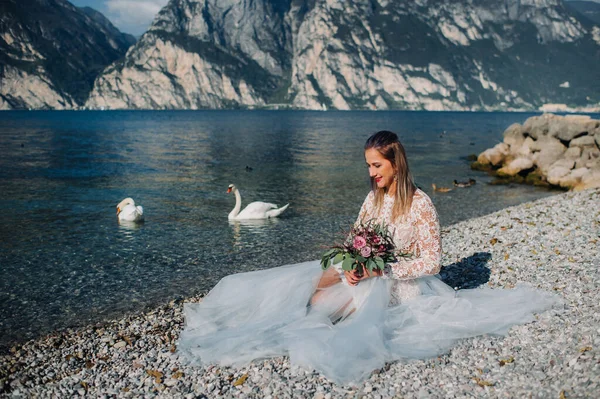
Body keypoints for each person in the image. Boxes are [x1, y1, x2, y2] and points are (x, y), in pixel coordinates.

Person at [178, 131, 560, 385]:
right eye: (368, 165)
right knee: (317, 284)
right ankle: (294, 320)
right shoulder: (372, 198)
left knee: (343, 310)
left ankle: (320, 326)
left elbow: (432, 263)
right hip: (367, 271)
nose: (371, 172)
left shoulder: (421, 203)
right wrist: (352, 263)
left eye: (377, 165)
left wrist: (382, 268)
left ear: (396, 163)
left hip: (401, 282)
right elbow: (353, 238)